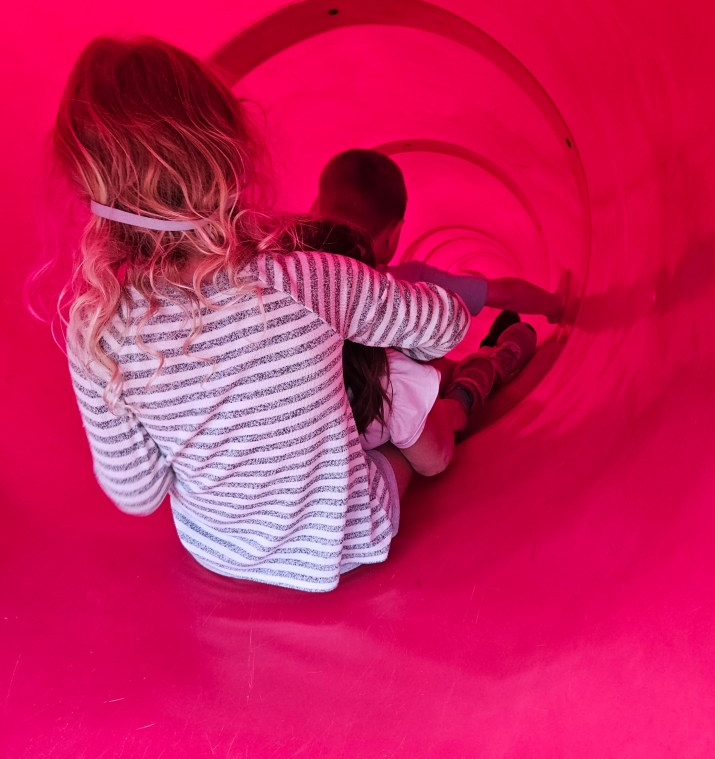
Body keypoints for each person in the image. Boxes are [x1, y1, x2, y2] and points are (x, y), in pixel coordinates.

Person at [54, 37, 470, 591]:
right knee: (397, 439)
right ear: (231, 162)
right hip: (346, 540)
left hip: (219, 552)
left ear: (90, 188)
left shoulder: (98, 332)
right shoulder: (304, 279)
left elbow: (138, 493)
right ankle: (467, 396)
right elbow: (446, 327)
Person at [301, 219, 537, 476]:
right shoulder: (387, 378)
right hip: (391, 391)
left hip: (390, 383)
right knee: (446, 403)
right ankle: (484, 366)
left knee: (430, 379)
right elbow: (437, 458)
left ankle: (481, 363)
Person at [315, 148, 567, 327]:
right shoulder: (409, 283)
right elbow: (506, 294)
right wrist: (554, 305)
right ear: (393, 234)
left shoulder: (299, 268)